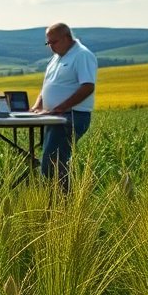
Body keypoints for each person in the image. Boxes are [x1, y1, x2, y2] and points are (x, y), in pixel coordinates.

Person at [31, 22, 96, 190]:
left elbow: (88, 86)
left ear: (67, 38)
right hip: (54, 116)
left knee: (53, 160)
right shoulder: (56, 57)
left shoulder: (82, 55)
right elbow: (47, 86)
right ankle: (53, 201)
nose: (51, 46)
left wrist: (61, 107)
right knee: (51, 159)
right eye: (48, 43)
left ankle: (61, 204)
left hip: (72, 116)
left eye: (54, 42)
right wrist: (37, 106)